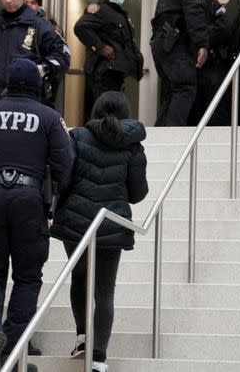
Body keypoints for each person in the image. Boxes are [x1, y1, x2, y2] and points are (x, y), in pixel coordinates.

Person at [0, 58, 74, 372]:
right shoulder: (49, 117)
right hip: (29, 200)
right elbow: (66, 163)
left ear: (8, 83)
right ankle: (10, 349)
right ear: (38, 86)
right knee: (27, 278)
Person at [50, 91, 148, 372]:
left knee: (79, 278)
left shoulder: (77, 137)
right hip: (111, 223)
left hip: (76, 221)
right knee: (105, 292)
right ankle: (99, 359)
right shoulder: (133, 146)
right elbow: (138, 193)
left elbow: (64, 180)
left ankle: (82, 337)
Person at [150, 0, 214, 126]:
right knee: (185, 88)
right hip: (174, 44)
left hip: (161, 42)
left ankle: (160, 138)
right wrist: (202, 44)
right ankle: (173, 139)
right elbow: (194, 13)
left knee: (173, 91)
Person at [74, 0, 144, 121]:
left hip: (115, 71)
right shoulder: (98, 8)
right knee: (103, 110)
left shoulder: (119, 14)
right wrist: (100, 47)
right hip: (103, 70)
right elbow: (81, 27)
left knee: (112, 111)